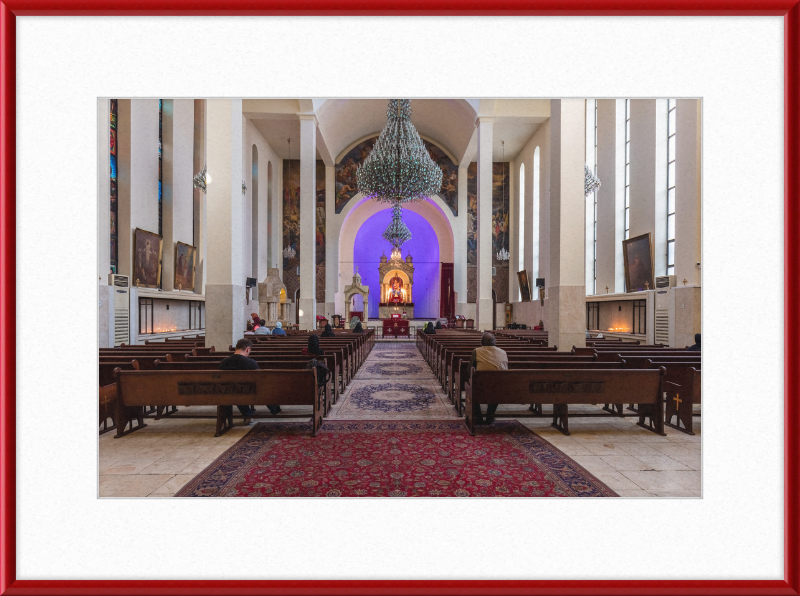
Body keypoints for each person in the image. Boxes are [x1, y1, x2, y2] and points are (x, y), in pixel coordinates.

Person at [218, 338, 280, 422]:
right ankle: (275, 410)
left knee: (237, 389)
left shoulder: (223, 362)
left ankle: (247, 414)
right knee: (262, 387)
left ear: (236, 348)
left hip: (228, 391)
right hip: (249, 391)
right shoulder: (251, 362)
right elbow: (259, 380)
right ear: (247, 349)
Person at [470, 333, 508, 425]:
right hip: (500, 387)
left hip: (481, 387)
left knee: (472, 386)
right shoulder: (503, 352)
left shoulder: (476, 351)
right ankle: (490, 416)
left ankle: (478, 416)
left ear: (481, 343)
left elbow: (470, 370)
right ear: (495, 342)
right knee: (496, 384)